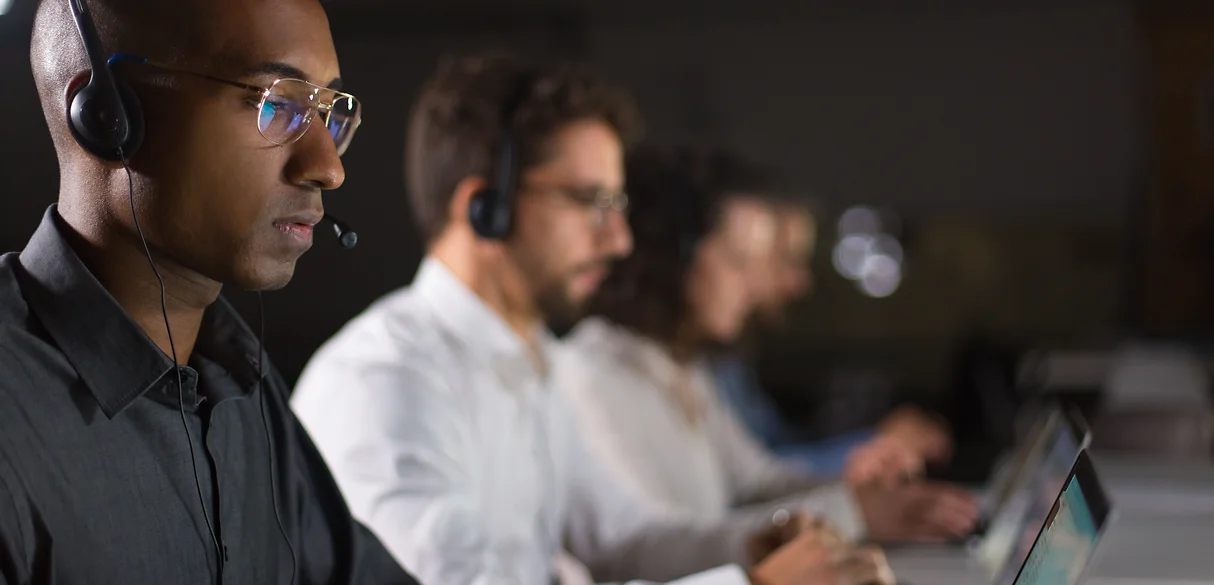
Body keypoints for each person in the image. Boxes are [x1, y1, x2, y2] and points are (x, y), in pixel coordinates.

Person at [292, 53, 888, 585]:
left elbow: (622, 540)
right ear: (483, 209)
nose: (621, 238)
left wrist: (752, 546)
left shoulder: (531, 360)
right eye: (590, 203)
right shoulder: (385, 378)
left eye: (618, 205)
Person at [0, 0, 416, 583]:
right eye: (276, 102)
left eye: (330, 113)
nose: (328, 167)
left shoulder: (239, 382)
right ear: (107, 115)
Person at [555, 147, 979, 546]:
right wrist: (851, 514)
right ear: (673, 259)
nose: (757, 287)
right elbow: (642, 545)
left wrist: (869, 495)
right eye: (739, 263)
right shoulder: (592, 373)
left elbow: (759, 482)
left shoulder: (680, 366)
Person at [710, 198, 953, 486]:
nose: (801, 282)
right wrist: (871, 446)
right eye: (786, 260)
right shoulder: (706, 363)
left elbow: (769, 450)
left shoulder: (730, 359)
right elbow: (756, 476)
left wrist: (874, 442)